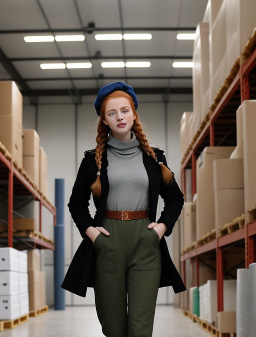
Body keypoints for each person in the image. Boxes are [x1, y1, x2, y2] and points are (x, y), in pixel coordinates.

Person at [61, 81, 186, 337]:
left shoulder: (155, 158)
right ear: (104, 120)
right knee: (113, 328)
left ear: (134, 113)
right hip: (108, 242)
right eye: (112, 113)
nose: (120, 117)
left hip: (146, 242)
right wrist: (93, 235)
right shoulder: (91, 160)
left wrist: (161, 228)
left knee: (140, 330)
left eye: (125, 110)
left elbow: (175, 198)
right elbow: (76, 204)